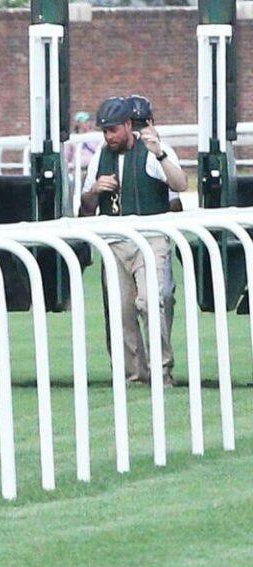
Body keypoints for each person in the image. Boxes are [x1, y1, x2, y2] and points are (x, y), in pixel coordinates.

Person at [79, 93, 186, 384]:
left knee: (151, 302)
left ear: (128, 125)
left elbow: (180, 185)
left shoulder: (153, 151)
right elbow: (85, 209)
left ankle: (161, 370)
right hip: (114, 242)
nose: (108, 136)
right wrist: (94, 190)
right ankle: (135, 374)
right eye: (105, 131)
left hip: (150, 240)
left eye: (113, 130)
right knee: (121, 310)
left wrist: (160, 154)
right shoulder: (100, 156)